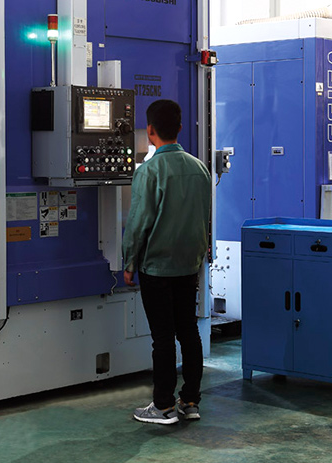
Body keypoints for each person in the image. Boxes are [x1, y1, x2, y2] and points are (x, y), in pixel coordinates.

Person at [122, 99, 211, 424]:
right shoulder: (200, 168)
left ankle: (162, 406)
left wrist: (129, 262)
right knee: (189, 331)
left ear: (150, 131)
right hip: (189, 265)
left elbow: (138, 223)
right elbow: (204, 217)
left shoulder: (149, 171)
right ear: (180, 128)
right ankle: (190, 400)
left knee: (163, 337)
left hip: (157, 267)